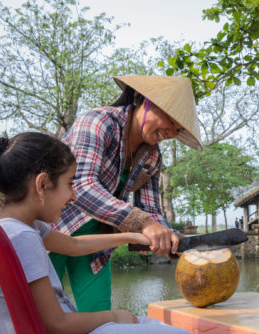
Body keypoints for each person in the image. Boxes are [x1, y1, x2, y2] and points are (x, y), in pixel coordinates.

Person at [0, 132, 190, 334]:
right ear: (42, 184)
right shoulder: (22, 237)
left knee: (153, 325)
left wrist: (133, 236)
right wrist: (114, 316)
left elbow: (74, 246)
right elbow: (57, 325)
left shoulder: (7, 228)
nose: (73, 196)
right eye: (70, 184)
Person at [49, 75, 203, 312]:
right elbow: (81, 185)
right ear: (145, 102)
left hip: (98, 238)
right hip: (55, 227)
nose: (171, 131)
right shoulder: (98, 122)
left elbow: (151, 209)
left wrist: (167, 235)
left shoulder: (152, 156)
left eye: (178, 129)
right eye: (170, 120)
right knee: (42, 314)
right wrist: (142, 222)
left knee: (100, 315)